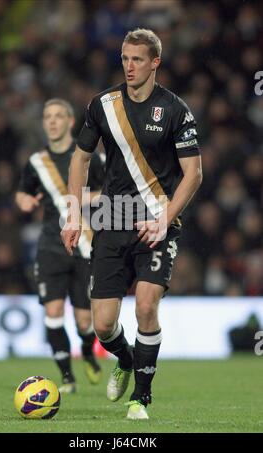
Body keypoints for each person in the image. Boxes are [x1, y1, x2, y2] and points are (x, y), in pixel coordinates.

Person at [61, 29, 202, 419]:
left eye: (138, 59)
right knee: (104, 326)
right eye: (125, 58)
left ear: (155, 62)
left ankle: (140, 397)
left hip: (157, 220)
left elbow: (193, 174)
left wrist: (166, 220)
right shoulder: (102, 105)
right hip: (111, 220)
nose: (129, 66)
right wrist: (73, 213)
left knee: (144, 306)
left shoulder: (175, 110)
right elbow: (80, 159)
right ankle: (125, 359)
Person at [16, 98, 104, 394]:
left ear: (69, 122)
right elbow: (22, 193)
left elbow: (110, 190)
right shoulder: (36, 162)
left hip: (83, 245)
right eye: (47, 116)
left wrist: (89, 199)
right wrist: (24, 201)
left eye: (58, 116)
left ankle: (89, 353)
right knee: (53, 311)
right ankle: (67, 377)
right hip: (51, 246)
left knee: (83, 320)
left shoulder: (91, 158)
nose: (51, 121)